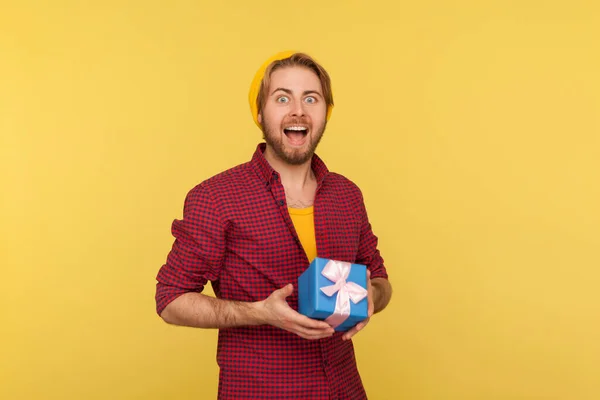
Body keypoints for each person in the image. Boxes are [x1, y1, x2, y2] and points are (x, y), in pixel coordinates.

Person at [155, 50, 393, 399]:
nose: (298, 110)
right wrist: (260, 313)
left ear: (325, 112)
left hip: (345, 389)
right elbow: (170, 300)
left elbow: (379, 278)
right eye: (282, 98)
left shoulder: (347, 195)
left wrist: (370, 297)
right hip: (261, 390)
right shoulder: (216, 197)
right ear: (259, 112)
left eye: (310, 98)